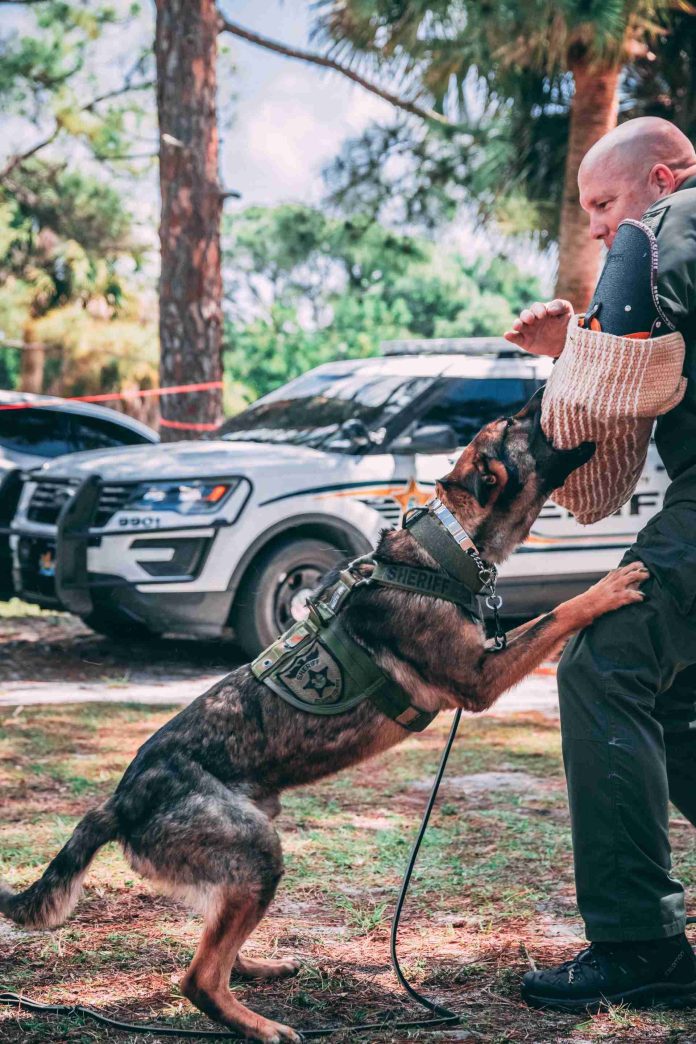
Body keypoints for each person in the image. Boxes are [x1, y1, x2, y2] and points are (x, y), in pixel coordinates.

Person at [504, 116, 696, 1012]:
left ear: (663, 177)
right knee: (676, 688)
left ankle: (637, 943)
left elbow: (596, 416)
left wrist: (566, 357)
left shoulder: (657, 233)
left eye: (603, 205)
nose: (596, 229)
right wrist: (579, 346)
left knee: (600, 660)